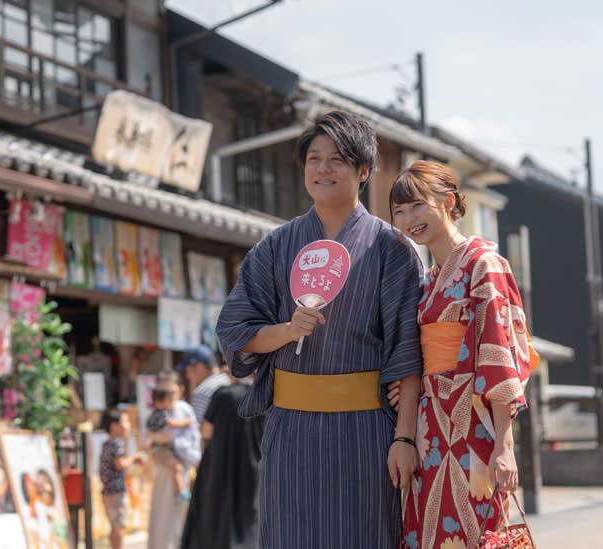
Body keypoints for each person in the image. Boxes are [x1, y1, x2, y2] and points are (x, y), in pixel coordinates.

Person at [216, 111, 424, 548]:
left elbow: (408, 350)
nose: (323, 168)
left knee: (365, 535)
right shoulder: (275, 246)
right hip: (291, 431)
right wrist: (287, 330)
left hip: (366, 434)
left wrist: (404, 436)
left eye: (338, 160)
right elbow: (236, 329)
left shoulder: (392, 249)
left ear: (364, 171)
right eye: (314, 158)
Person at [388, 160, 538, 548]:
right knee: (431, 533)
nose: (408, 219)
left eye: (418, 206)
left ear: (449, 201)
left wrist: (504, 445)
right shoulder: (431, 277)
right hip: (431, 422)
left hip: (473, 425)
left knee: (474, 530)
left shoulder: (483, 264)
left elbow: (498, 352)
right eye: (399, 212)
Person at [181, 369, 264, 549]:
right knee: (249, 510)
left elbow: (207, 431)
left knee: (216, 508)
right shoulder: (263, 394)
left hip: (220, 461)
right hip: (252, 462)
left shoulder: (223, 395)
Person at [100, 409, 146, 549]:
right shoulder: (116, 443)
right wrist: (135, 458)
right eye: (125, 421)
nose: (129, 425)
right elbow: (120, 464)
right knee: (120, 526)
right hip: (117, 490)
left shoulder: (107, 443)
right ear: (114, 426)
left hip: (108, 490)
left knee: (115, 526)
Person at [146, 384, 195, 500]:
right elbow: (172, 423)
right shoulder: (160, 414)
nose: (172, 403)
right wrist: (187, 422)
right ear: (158, 402)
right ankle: (181, 492)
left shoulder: (158, 413)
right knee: (176, 468)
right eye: (169, 400)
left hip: (161, 449)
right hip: (160, 449)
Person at [176, 345, 230, 423]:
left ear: (199, 366)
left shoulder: (202, 391)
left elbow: (200, 431)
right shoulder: (227, 380)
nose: (187, 376)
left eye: (187, 371)